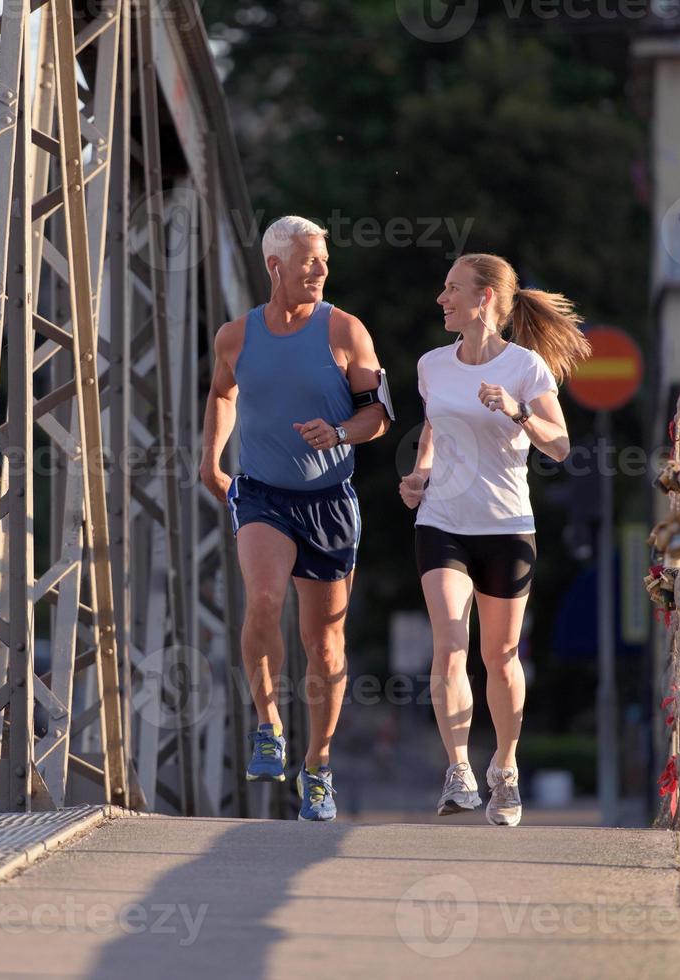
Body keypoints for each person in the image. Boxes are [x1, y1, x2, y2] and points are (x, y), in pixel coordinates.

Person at [200, 216, 392, 821]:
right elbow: (223, 394)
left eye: (325, 261)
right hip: (260, 494)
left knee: (324, 643)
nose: (320, 270)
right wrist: (211, 464)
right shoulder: (235, 337)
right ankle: (268, 726)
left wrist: (337, 432)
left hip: (329, 501)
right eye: (309, 260)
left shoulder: (346, 331)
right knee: (261, 599)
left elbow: (379, 417)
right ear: (274, 266)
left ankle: (318, 765)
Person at [399, 254, 589, 826]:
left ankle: (504, 768)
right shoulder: (432, 364)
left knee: (500, 657)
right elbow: (433, 423)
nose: (441, 298)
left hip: (507, 527)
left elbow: (559, 445)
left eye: (452, 288)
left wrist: (516, 414)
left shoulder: (526, 368)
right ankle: (458, 770)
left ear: (484, 299)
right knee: (450, 642)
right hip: (441, 522)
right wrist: (421, 472)